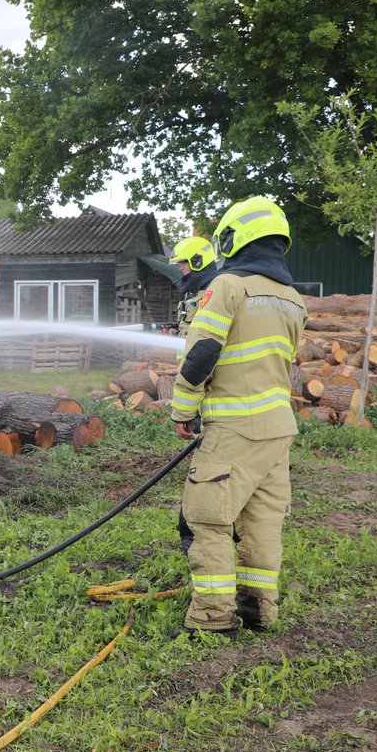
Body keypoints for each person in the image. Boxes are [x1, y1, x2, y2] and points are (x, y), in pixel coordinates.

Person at [170, 196, 307, 640]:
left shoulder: (228, 286)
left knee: (205, 519)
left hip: (234, 429)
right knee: (261, 523)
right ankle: (258, 610)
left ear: (236, 237)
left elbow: (202, 353)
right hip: (278, 431)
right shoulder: (292, 299)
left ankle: (211, 620)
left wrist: (183, 409)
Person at [169, 235, 219, 554]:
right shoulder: (191, 295)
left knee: (210, 463)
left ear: (199, 262)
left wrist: (187, 408)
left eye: (185, 264)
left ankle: (196, 532)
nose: (181, 271)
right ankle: (196, 529)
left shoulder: (215, 294)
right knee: (205, 461)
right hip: (195, 390)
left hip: (209, 392)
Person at [169, 235, 218, 337]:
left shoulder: (215, 290)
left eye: (183, 263)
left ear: (198, 261)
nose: (181, 268)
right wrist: (177, 329)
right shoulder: (192, 292)